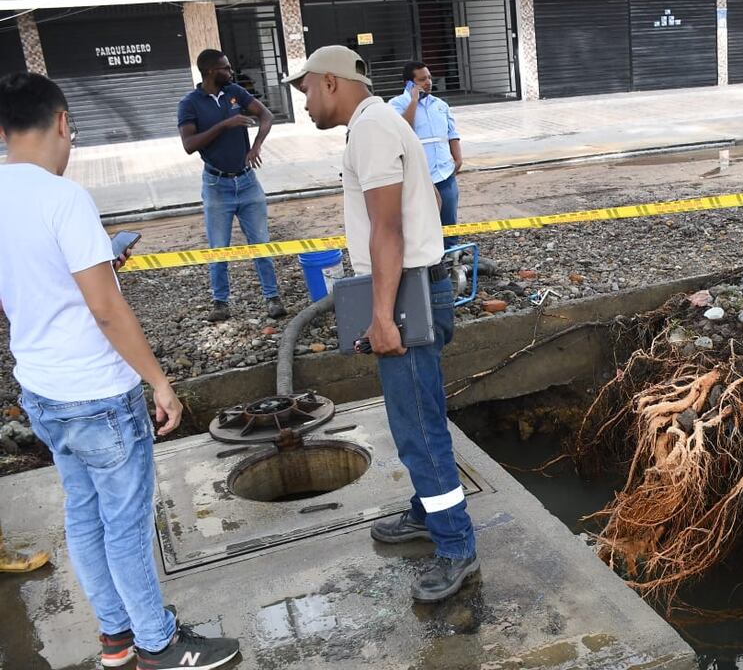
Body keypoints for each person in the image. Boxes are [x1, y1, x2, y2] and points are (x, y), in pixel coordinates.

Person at [0, 72, 240, 669]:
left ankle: (116, 638)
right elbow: (106, 311)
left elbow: (28, 284)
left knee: (83, 516)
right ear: (62, 123)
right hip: (98, 394)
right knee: (126, 526)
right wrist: (160, 383)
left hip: (42, 391)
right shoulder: (64, 199)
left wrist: (99, 262)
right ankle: (158, 644)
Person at [285, 47, 479, 603]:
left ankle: (455, 546)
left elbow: (387, 229)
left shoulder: (372, 129)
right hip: (416, 288)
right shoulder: (380, 123)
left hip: (406, 295)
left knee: (419, 429)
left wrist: (381, 315)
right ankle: (427, 512)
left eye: (306, 91)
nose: (304, 104)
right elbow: (413, 208)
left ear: (330, 82)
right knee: (421, 415)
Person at [178, 48, 286, 322]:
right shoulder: (190, 103)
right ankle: (220, 303)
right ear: (210, 71)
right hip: (216, 185)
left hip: (247, 181)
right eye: (225, 68)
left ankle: (272, 298)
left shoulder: (235, 92)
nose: (231, 71)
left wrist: (256, 145)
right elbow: (189, 145)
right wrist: (225, 124)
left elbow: (266, 115)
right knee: (219, 248)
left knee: (261, 243)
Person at [389, 62, 464, 249]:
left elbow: (452, 134)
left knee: (449, 223)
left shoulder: (440, 105)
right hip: (419, 178)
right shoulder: (396, 105)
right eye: (422, 79)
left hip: (445, 174)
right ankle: (429, 260)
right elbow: (403, 129)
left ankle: (450, 256)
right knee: (422, 224)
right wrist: (414, 101)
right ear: (409, 83)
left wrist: (458, 160)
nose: (428, 82)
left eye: (429, 78)